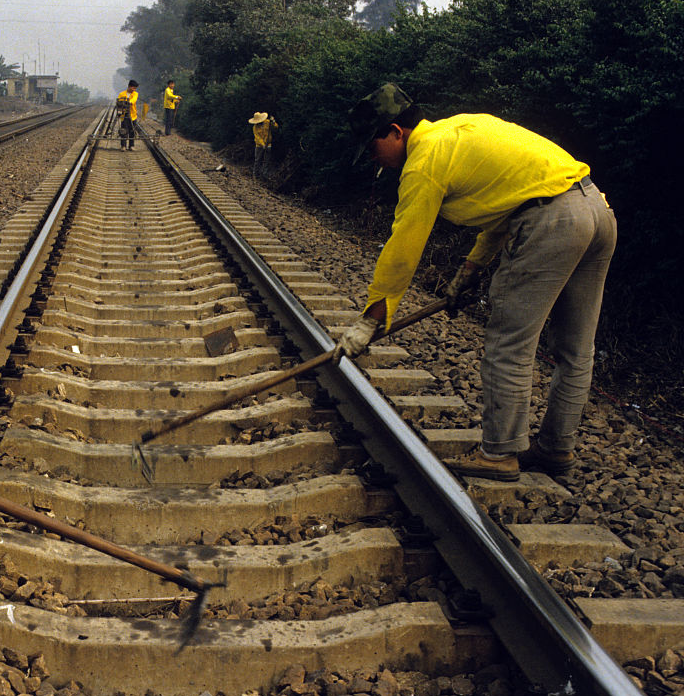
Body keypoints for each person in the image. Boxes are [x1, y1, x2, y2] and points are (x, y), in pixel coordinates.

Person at [335, 83, 616, 481]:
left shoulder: (424, 160)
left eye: (372, 145)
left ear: (396, 132)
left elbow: (404, 246)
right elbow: (508, 208)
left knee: (509, 343)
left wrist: (372, 317)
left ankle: (500, 454)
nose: (373, 158)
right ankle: (556, 449)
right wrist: (467, 272)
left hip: (553, 222)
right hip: (596, 210)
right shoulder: (462, 128)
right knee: (576, 349)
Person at [249, 111, 278, 178]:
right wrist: (263, 144)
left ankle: (264, 174)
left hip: (268, 144)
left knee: (266, 160)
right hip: (259, 146)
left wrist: (273, 121)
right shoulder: (255, 127)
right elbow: (257, 137)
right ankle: (256, 174)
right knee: (257, 160)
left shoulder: (267, 122)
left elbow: (275, 128)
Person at [116, 79, 139, 150]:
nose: (134, 89)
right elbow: (119, 103)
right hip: (124, 115)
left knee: (132, 130)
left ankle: (131, 146)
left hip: (133, 115)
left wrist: (129, 102)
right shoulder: (121, 94)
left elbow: (134, 99)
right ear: (129, 86)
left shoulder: (135, 93)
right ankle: (123, 146)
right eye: (133, 88)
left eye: (135, 88)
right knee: (124, 130)